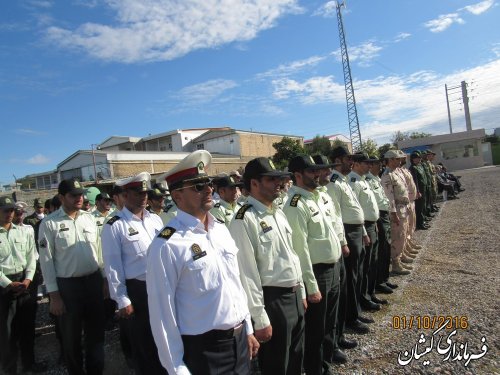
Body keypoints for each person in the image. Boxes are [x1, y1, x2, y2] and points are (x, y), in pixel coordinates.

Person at [147, 150, 259, 375]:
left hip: (239, 342)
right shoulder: (166, 244)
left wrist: (247, 328)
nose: (209, 189)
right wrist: (176, 368)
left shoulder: (220, 229)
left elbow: (234, 285)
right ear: (177, 196)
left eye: (208, 183)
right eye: (198, 186)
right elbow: (162, 315)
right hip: (205, 351)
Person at [229, 157, 305, 375]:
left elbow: (291, 256)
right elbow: (247, 274)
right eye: (271, 179)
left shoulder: (277, 212)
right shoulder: (244, 220)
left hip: (293, 296)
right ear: (254, 183)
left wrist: (301, 292)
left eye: (279, 179)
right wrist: (259, 318)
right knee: (276, 364)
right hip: (273, 301)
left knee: (295, 359)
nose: (278, 184)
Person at [101, 172, 166, 375]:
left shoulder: (155, 219)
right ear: (125, 194)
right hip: (138, 290)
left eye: (145, 192)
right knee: (144, 342)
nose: (144, 196)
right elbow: (113, 266)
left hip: (162, 286)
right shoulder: (115, 225)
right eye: (138, 192)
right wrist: (122, 298)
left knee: (165, 337)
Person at [38, 178, 105, 375]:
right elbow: (46, 260)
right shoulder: (49, 224)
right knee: (71, 338)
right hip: (68, 287)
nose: (79, 198)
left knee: (96, 336)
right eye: (73, 195)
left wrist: (104, 279)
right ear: (61, 197)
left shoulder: (89, 218)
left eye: (81, 194)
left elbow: (99, 251)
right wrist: (54, 296)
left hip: (93, 282)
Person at [282, 155, 342, 375]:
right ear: (297, 175)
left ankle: (326, 360)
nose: (317, 174)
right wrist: (311, 286)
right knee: (315, 328)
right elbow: (300, 251)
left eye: (317, 170)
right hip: (317, 273)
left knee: (329, 321)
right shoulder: (295, 204)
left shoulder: (316, 196)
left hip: (333, 267)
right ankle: (316, 368)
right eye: (311, 171)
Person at [312, 154, 356, 364]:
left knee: (337, 304)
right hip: (320, 264)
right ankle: (326, 352)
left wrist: (343, 242)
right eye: (324, 169)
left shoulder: (324, 194)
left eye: (329, 168)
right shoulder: (307, 198)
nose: (329, 172)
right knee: (323, 316)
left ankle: (336, 340)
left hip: (337, 254)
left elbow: (337, 220)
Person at [327, 146, 370, 335]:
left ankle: (356, 311)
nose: (350, 161)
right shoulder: (334, 183)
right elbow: (336, 215)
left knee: (358, 274)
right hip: (347, 232)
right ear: (337, 160)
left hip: (356, 230)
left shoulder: (344, 181)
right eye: (347, 158)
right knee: (350, 278)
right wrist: (343, 240)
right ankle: (350, 318)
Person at [0, 196, 46, 374]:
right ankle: (9, 369)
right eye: (6, 210)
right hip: (4, 287)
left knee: (27, 327)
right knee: (7, 333)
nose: (10, 214)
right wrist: (8, 283)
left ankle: (29, 364)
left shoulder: (24, 231)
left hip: (25, 284)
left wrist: (28, 279)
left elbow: (31, 256)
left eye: (12, 210)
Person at [347, 152, 383, 313]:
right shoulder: (353, 181)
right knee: (363, 267)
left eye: (370, 163)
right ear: (355, 163)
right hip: (363, 227)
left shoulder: (364, 180)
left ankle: (369, 293)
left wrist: (374, 223)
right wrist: (363, 231)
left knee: (372, 263)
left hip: (371, 224)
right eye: (365, 163)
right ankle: (363, 299)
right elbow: (356, 210)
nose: (369, 166)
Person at [366, 158, 398, 295]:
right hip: (378, 216)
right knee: (382, 250)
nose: (380, 166)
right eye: (377, 164)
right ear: (371, 165)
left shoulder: (375, 179)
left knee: (386, 249)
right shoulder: (367, 180)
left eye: (380, 164)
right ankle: (379, 281)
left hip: (384, 215)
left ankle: (384, 278)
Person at [381, 151, 412, 276]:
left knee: (403, 234)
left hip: (403, 208)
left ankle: (399, 257)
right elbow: (389, 197)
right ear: (390, 160)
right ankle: (395, 263)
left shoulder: (396, 173)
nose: (400, 161)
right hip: (397, 211)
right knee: (397, 237)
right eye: (397, 159)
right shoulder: (387, 175)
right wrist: (393, 213)